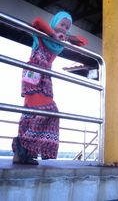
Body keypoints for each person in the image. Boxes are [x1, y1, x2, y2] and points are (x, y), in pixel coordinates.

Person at [12, 11, 88, 165]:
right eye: (62, 24)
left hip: (45, 78)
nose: (64, 28)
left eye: (67, 26)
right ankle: (22, 147)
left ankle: (25, 154)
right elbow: (37, 20)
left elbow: (83, 41)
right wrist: (53, 34)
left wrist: (67, 37)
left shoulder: (60, 41)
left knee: (30, 115)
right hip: (33, 73)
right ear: (54, 23)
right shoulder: (42, 34)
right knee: (49, 111)